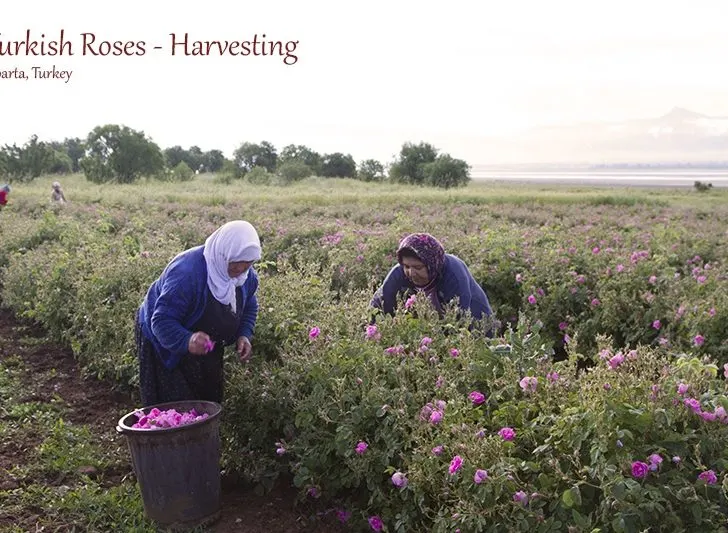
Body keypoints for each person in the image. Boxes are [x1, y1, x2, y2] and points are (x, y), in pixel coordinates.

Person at [136, 220, 262, 406]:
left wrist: (244, 334)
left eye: (248, 264)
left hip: (205, 340)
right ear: (224, 254)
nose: (240, 270)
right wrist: (187, 340)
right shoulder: (187, 273)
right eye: (236, 264)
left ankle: (203, 434)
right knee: (173, 404)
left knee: (207, 399)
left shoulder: (245, 276)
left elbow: (249, 303)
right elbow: (162, 321)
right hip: (163, 337)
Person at [371, 233, 493, 325]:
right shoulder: (398, 273)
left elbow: (459, 322)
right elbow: (378, 306)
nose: (411, 273)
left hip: (473, 320)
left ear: (432, 264)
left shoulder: (454, 275)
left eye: (418, 267)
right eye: (406, 266)